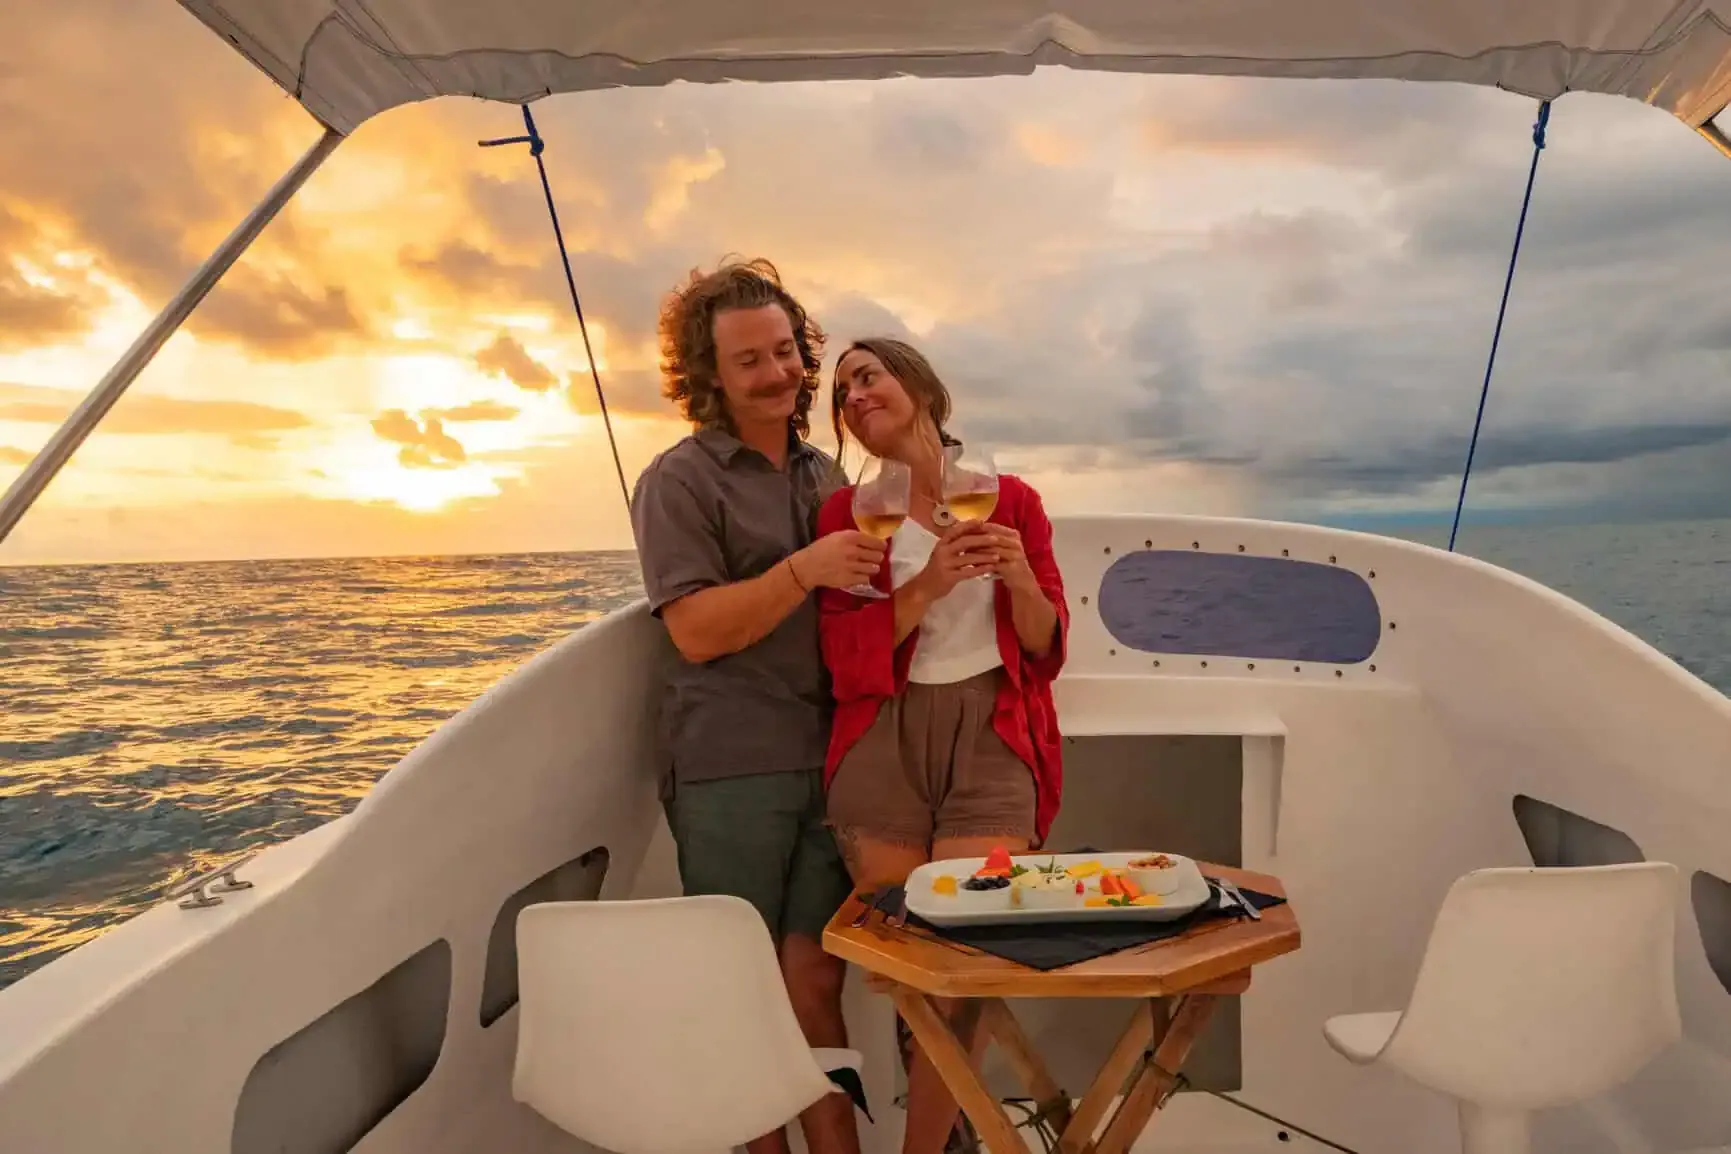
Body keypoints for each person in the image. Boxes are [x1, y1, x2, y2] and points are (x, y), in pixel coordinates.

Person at [630, 259, 886, 1154]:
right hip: (732, 763)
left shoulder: (828, 475)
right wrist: (800, 571)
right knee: (740, 987)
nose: (776, 373)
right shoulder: (678, 482)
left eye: (785, 351)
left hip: (834, 756)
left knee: (815, 975)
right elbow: (696, 631)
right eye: (749, 361)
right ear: (708, 376)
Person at [815, 337, 1069, 1154]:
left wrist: (1020, 578)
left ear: (918, 386)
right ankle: (953, 1136)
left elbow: (1042, 646)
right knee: (911, 972)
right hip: (883, 739)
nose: (854, 393)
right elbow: (846, 662)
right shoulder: (848, 514)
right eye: (841, 389)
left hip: (990, 735)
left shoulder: (1010, 499)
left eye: (868, 375)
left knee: (963, 958)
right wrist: (926, 587)